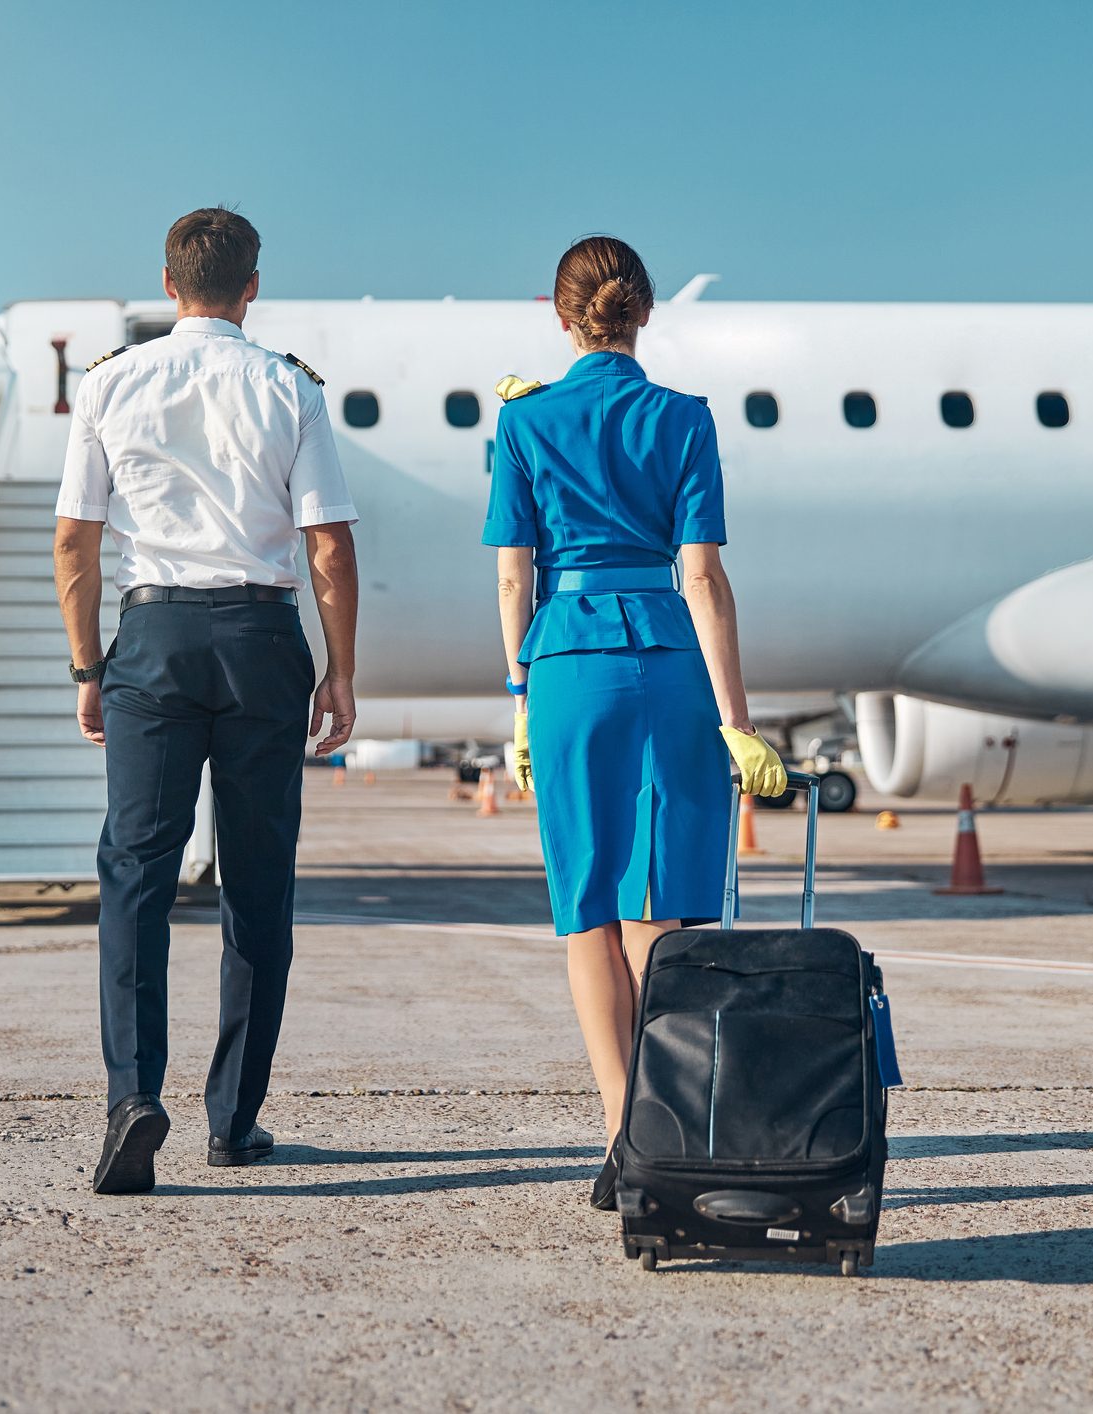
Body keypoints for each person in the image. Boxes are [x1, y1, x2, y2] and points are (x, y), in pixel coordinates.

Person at [54, 206, 360, 1195]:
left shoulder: (109, 382)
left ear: (168, 283)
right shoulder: (288, 386)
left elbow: (74, 539)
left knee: (136, 872)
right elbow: (327, 542)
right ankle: (233, 1119)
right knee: (258, 881)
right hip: (261, 640)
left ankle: (131, 1097)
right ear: (251, 286)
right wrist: (340, 668)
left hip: (153, 640)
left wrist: (89, 669)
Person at [483, 235, 788, 1211]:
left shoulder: (523, 420)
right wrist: (738, 720)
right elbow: (703, 576)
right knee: (661, 908)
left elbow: (512, 575)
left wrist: (520, 695)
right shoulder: (684, 418)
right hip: (667, 656)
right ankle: (683, 1124)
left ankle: (624, 1135)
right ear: (644, 312)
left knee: (586, 907)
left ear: (561, 317)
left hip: (565, 663)